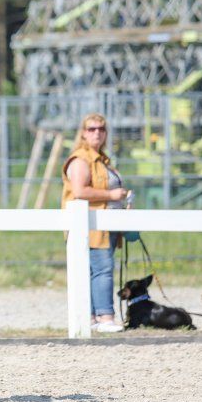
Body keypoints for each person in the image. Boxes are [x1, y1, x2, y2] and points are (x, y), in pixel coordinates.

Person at [61, 113, 131, 333]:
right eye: (91, 129)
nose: (97, 133)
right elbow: (80, 191)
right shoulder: (80, 160)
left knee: (95, 271)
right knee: (102, 270)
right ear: (83, 133)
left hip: (106, 224)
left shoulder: (102, 159)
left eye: (101, 129)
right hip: (91, 226)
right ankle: (105, 317)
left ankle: (91, 317)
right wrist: (112, 195)